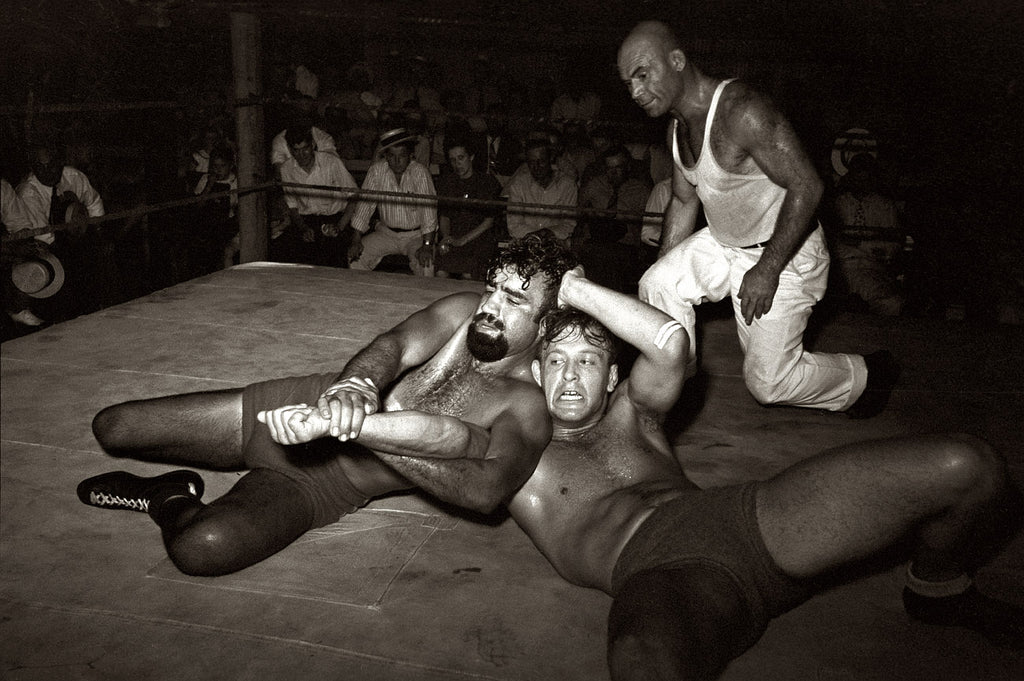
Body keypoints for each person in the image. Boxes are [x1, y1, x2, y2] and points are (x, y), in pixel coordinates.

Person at [509, 266, 1024, 680]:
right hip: (655, 572)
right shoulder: (515, 444)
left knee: (970, 465)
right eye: (556, 361)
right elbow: (444, 385)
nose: (571, 376)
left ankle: (937, 592)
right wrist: (513, 302)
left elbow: (669, 345)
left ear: (612, 375)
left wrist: (573, 289)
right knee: (643, 660)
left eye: (588, 361)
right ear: (536, 372)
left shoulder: (633, 412)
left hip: (751, 520)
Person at [77, 235, 576, 577]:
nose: (490, 306)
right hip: (293, 404)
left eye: (514, 300)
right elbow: (396, 344)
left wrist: (356, 430)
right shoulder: (464, 311)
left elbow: (486, 491)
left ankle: (168, 496)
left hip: (324, 483)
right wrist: (353, 388)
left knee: (199, 547)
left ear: (548, 322)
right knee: (113, 427)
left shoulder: (525, 406)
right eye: (494, 288)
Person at [619, 21, 898, 416]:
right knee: (658, 284)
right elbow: (683, 204)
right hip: (724, 242)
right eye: (627, 83)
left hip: (785, 252)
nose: (635, 91)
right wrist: (665, 265)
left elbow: (808, 187)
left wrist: (767, 270)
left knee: (768, 383)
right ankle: (677, 377)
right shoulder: (676, 131)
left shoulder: (742, 110)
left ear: (677, 60)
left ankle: (867, 374)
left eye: (642, 75)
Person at [348, 128, 439, 275]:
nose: (397, 161)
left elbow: (429, 212)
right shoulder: (376, 171)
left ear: (410, 155)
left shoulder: (420, 172)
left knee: (426, 265)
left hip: (416, 236)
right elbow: (365, 206)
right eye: (391, 156)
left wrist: (427, 245)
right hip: (386, 233)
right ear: (386, 156)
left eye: (402, 155)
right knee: (356, 258)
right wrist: (356, 240)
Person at [830, 153, 906, 316]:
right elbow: (833, 242)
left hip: (872, 269)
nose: (861, 181)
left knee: (893, 304)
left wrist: (863, 246)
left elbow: (894, 245)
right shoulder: (838, 204)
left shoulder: (884, 206)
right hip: (841, 269)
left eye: (866, 176)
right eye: (857, 175)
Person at [277, 124, 359, 267]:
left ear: (313, 145)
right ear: (290, 150)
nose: (301, 155)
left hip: (336, 218)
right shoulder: (286, 169)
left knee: (333, 254)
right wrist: (303, 229)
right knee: (284, 252)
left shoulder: (331, 162)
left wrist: (339, 227)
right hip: (306, 221)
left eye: (305, 149)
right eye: (296, 151)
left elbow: (353, 195)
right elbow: (292, 206)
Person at [435, 141, 502, 280]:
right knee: (441, 270)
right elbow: (444, 217)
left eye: (461, 158)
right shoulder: (447, 182)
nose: (457, 164)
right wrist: (447, 237)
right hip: (455, 236)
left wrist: (463, 240)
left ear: (471, 157)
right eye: (453, 160)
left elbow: (489, 221)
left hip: (479, 237)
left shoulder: (487, 182)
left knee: (468, 273)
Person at [504, 139, 578, 244]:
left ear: (550, 159)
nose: (537, 167)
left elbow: (569, 224)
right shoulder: (519, 184)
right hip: (526, 243)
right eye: (532, 162)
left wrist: (548, 233)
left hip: (555, 244)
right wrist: (538, 236)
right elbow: (514, 225)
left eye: (541, 161)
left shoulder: (567, 185)